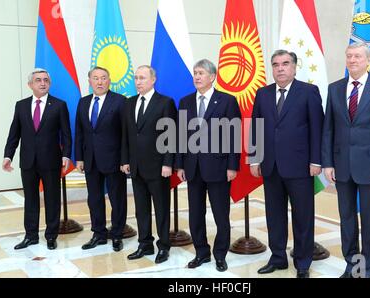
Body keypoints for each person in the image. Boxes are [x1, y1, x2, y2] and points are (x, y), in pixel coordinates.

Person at [321, 42, 370, 278]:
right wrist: (328, 163)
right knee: (347, 219)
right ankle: (352, 266)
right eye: (349, 56)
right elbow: (328, 130)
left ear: (368, 60)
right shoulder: (334, 89)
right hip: (341, 166)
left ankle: (366, 270)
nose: (352, 60)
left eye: (357, 56)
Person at [250, 50, 324, 278]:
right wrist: (254, 158)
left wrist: (316, 160)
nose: (280, 68)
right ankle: (278, 257)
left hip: (300, 166)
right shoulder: (262, 94)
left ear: (294, 67)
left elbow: (317, 128)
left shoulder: (308, 92)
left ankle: (302, 262)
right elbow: (256, 128)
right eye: (275, 65)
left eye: (285, 64)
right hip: (270, 166)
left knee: (302, 216)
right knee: (274, 215)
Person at [175, 59, 241, 272]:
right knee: (195, 214)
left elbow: (234, 135)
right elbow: (180, 135)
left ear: (212, 77)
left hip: (219, 167)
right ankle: (201, 253)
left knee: (221, 215)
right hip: (192, 167)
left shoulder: (227, 101)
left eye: (201, 73)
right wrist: (180, 165)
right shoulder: (185, 101)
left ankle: (220, 255)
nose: (196, 76)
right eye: (195, 73)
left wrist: (232, 166)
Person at [3, 68, 72, 250]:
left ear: (49, 83)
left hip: (51, 161)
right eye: (38, 80)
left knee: (52, 199)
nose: (42, 83)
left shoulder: (59, 105)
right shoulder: (21, 105)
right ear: (30, 85)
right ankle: (31, 236)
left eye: (45, 80)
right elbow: (14, 134)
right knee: (31, 200)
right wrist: (8, 155)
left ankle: (51, 236)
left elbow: (66, 134)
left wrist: (66, 155)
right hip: (28, 161)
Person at [121, 65, 177, 264]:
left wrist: (168, 163)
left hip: (158, 166)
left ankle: (164, 247)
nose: (138, 81)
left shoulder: (165, 102)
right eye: (136, 78)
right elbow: (126, 135)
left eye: (142, 78)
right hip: (136, 167)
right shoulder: (129, 103)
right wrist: (125, 160)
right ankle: (145, 244)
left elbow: (171, 136)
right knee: (141, 209)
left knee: (161, 209)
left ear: (153, 80)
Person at [75, 66, 127, 252]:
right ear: (90, 81)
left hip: (114, 160)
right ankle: (98, 233)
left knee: (117, 199)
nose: (99, 82)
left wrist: (124, 159)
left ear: (109, 80)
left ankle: (117, 235)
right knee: (94, 198)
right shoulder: (83, 102)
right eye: (95, 78)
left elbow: (125, 134)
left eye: (103, 78)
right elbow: (80, 132)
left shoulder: (120, 101)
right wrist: (79, 158)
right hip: (90, 159)